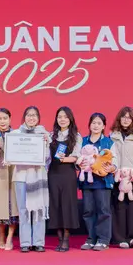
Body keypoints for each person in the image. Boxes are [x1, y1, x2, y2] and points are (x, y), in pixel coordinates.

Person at [12, 106, 51, 253]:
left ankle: (39, 242)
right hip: (21, 176)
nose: (31, 118)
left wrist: (46, 143)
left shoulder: (44, 134)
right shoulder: (15, 134)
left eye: (34, 115)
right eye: (28, 115)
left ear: (38, 118)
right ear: (24, 117)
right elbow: (11, 154)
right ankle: (25, 242)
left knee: (39, 209)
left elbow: (47, 158)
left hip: (38, 176)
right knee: (23, 210)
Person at [79, 113, 118, 251]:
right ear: (89, 125)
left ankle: (103, 240)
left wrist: (113, 168)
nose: (96, 126)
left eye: (99, 123)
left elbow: (115, 161)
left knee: (103, 210)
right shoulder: (82, 141)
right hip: (87, 181)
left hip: (103, 181)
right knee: (88, 210)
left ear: (104, 126)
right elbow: (77, 159)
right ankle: (91, 239)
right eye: (93, 123)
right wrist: (79, 165)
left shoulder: (109, 142)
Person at [48, 106, 82, 252]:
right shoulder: (51, 136)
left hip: (68, 174)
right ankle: (59, 238)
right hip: (53, 173)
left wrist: (65, 159)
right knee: (55, 204)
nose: (62, 119)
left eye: (65, 117)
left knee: (67, 205)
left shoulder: (76, 136)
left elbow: (76, 156)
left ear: (70, 119)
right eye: (59, 117)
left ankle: (66, 239)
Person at [110, 107, 133, 249]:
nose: (126, 120)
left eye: (129, 117)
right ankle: (119, 238)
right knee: (118, 207)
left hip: (132, 178)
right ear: (119, 119)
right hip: (118, 177)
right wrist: (115, 171)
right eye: (123, 117)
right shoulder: (112, 136)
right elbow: (110, 155)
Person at [0, 108, 19, 251]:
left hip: (14, 172)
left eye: (5, 118)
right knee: (0, 206)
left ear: (10, 119)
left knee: (14, 206)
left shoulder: (17, 134)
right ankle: (1, 233)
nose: (2, 121)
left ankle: (10, 237)